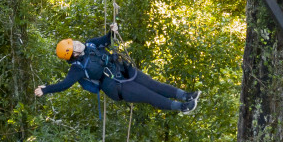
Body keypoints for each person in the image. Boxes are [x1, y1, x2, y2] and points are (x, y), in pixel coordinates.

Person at [34, 23, 200, 113]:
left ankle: (185, 96)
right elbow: (65, 84)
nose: (77, 42)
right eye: (74, 44)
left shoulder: (90, 44)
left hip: (121, 69)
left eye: (74, 41)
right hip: (115, 86)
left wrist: (112, 31)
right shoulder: (77, 69)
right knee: (148, 95)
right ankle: (182, 108)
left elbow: (106, 40)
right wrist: (46, 89)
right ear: (74, 53)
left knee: (153, 84)